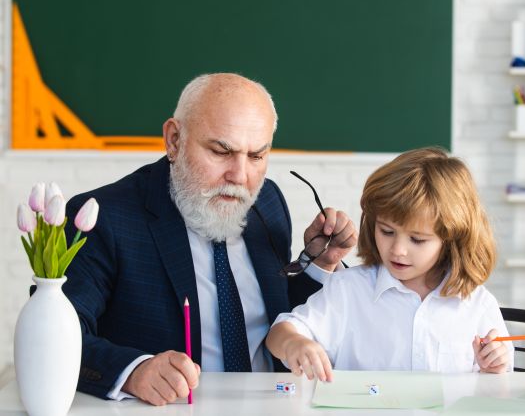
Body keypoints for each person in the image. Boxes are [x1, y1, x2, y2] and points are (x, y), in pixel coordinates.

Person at [62, 73, 357, 405]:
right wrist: (133, 372)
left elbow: (282, 310)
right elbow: (58, 334)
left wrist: (318, 264)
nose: (240, 176)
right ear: (174, 140)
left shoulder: (268, 201)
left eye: (257, 156)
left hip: (273, 405)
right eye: (220, 151)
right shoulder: (104, 218)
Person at [266, 147, 514, 382]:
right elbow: (280, 332)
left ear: (452, 239)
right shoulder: (348, 289)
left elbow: (498, 385)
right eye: (386, 231)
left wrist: (493, 367)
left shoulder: (477, 305)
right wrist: (293, 343)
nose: (397, 250)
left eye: (417, 239)